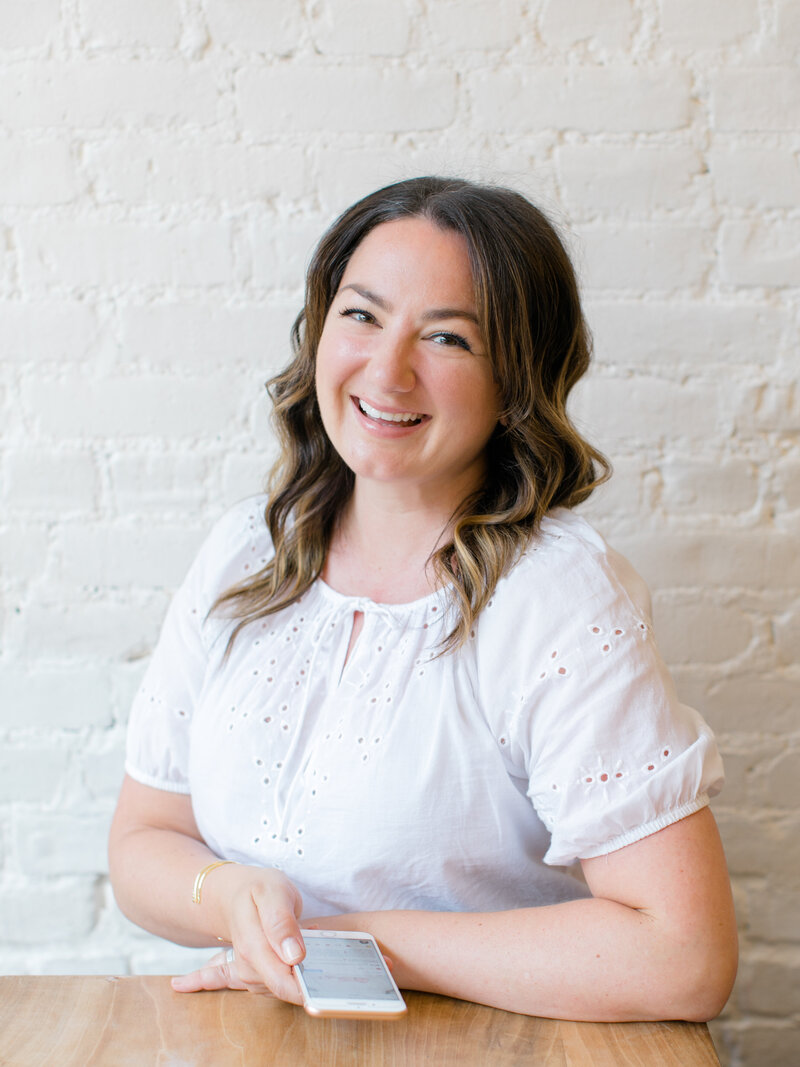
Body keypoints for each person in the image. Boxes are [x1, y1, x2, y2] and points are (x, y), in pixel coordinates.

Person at [108, 176, 738, 1021]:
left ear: (516, 380)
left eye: (447, 338)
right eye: (361, 315)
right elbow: (142, 840)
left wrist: (352, 940)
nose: (387, 369)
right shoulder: (243, 555)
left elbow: (683, 956)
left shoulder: (556, 597)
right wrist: (222, 893)